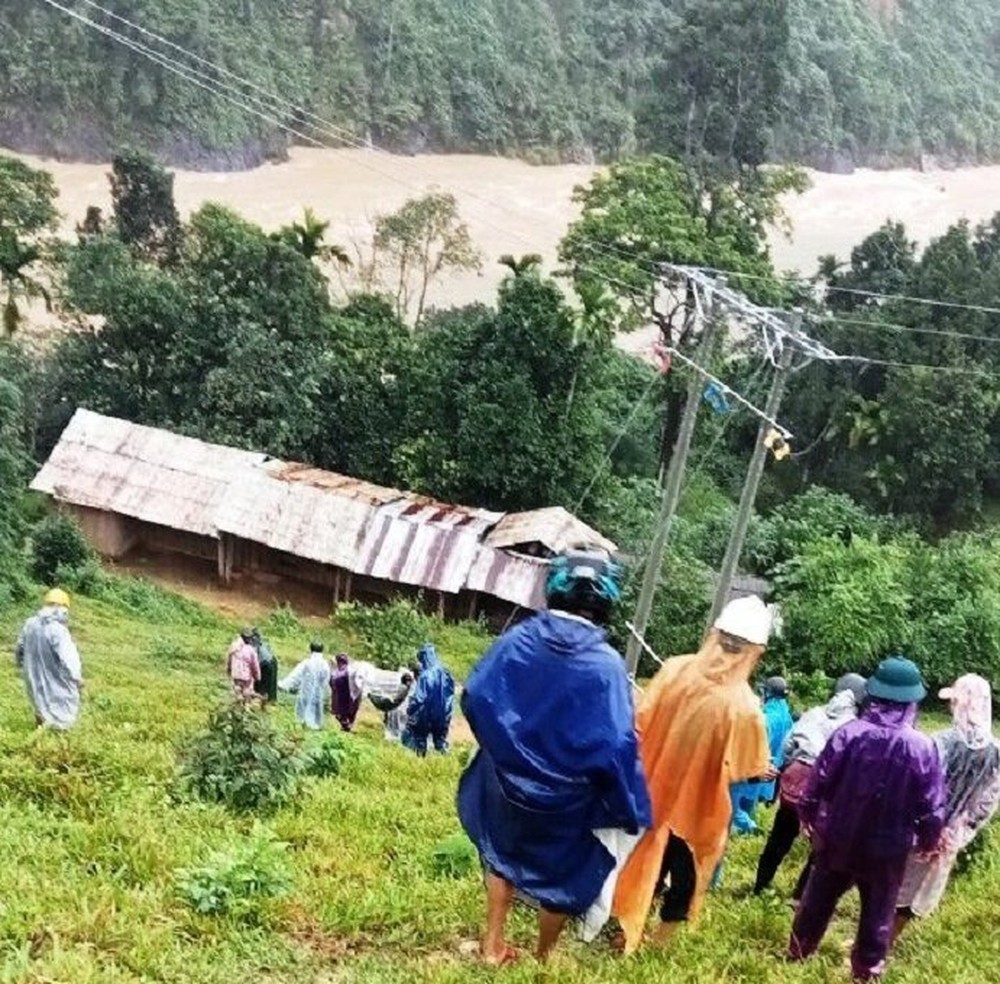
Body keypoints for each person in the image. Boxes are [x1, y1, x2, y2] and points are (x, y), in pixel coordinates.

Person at [458, 545, 651, 965]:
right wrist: (627, 801)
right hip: (568, 800)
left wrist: (504, 749)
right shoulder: (606, 666)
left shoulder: (517, 639)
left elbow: (476, 695)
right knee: (561, 877)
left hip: (506, 783)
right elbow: (618, 743)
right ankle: (543, 959)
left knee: (499, 853)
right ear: (607, 598)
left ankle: (492, 944)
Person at [612, 595, 774, 952]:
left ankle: (621, 926)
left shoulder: (675, 670)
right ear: (755, 651)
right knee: (686, 873)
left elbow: (640, 721)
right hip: (699, 809)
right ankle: (659, 943)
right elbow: (747, 768)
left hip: (651, 792)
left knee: (642, 858)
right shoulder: (744, 707)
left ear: (715, 633)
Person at [788, 656, 945, 982]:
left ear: (874, 693)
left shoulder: (849, 734)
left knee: (818, 898)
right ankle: (866, 971)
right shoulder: (922, 747)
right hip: (888, 848)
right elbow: (931, 807)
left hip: (837, 838)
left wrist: (809, 819)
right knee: (879, 910)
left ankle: (798, 952)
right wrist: (928, 841)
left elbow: (817, 785)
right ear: (913, 701)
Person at [894, 673, 1000, 938]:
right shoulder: (995, 751)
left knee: (893, 890)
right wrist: (962, 828)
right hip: (952, 834)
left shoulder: (940, 742)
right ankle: (886, 944)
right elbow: (988, 800)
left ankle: (871, 947)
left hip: (919, 830)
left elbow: (921, 788)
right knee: (917, 894)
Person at [753, 672, 866, 895]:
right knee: (819, 845)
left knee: (780, 836)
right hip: (825, 787)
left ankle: (761, 885)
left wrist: (785, 769)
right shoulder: (856, 726)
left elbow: (788, 744)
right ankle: (800, 895)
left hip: (795, 780)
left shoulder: (814, 713)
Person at [15, 588, 84, 730]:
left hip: (32, 673)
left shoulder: (30, 623)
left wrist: (20, 663)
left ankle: (40, 730)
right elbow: (68, 657)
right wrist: (77, 678)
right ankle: (59, 737)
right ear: (62, 608)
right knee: (62, 704)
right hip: (55, 675)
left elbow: (20, 646)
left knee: (38, 700)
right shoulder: (58, 630)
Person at [401, 642, 455, 756]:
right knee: (440, 741)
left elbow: (419, 698)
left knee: (419, 739)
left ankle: (420, 763)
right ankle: (447, 763)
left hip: (427, 714)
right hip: (444, 714)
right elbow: (451, 693)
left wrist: (410, 710)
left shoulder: (426, 675)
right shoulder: (446, 673)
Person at [278, 640, 332, 730]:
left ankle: (302, 725)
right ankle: (316, 725)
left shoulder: (307, 663)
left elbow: (295, 676)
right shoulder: (325, 664)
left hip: (306, 690)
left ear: (311, 649)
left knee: (303, 708)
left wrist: (284, 685)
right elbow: (326, 679)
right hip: (318, 692)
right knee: (317, 708)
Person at [330, 653, 362, 732]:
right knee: (349, 712)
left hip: (341, 698)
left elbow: (332, 684)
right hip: (351, 697)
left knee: (341, 713)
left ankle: (346, 724)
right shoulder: (351, 671)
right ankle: (348, 724)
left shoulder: (336, 673)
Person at [226, 627, 260, 699]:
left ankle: (239, 701)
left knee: (237, 690)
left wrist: (229, 670)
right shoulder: (251, 650)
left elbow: (229, 660)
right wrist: (257, 677)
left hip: (235, 675)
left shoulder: (234, 646)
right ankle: (248, 704)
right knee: (247, 692)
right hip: (246, 677)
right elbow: (255, 666)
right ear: (250, 639)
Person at [251, 627, 279, 703]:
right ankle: (271, 700)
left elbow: (254, 660)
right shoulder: (263, 641)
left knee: (260, 686)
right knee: (271, 685)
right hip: (272, 660)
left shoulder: (253, 643)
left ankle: (262, 699)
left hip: (264, 663)